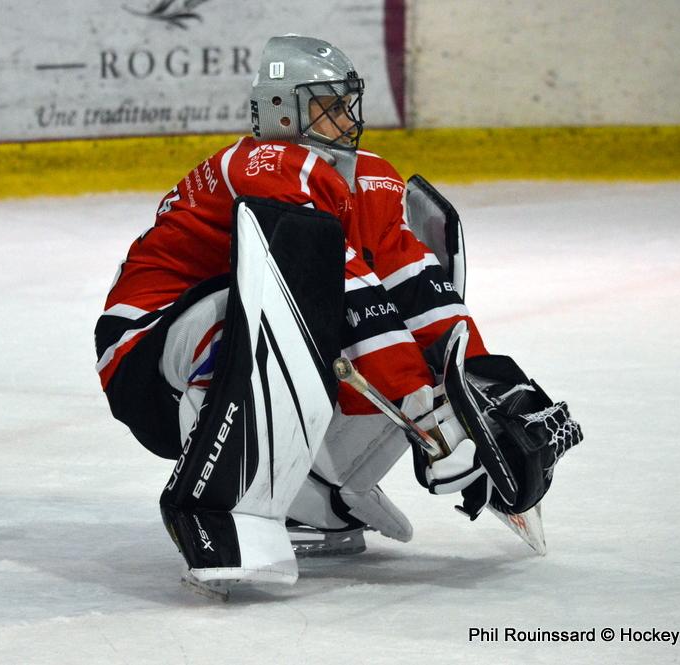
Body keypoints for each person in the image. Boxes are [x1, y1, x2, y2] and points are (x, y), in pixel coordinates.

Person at [95, 35, 581, 597]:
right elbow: (344, 287)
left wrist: (476, 385)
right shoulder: (264, 166)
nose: (346, 119)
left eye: (348, 104)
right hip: (146, 348)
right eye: (328, 106)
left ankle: (322, 497)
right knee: (283, 307)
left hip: (207, 326)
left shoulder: (368, 175)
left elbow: (414, 283)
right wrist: (423, 410)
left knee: (350, 324)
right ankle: (219, 499)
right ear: (282, 112)